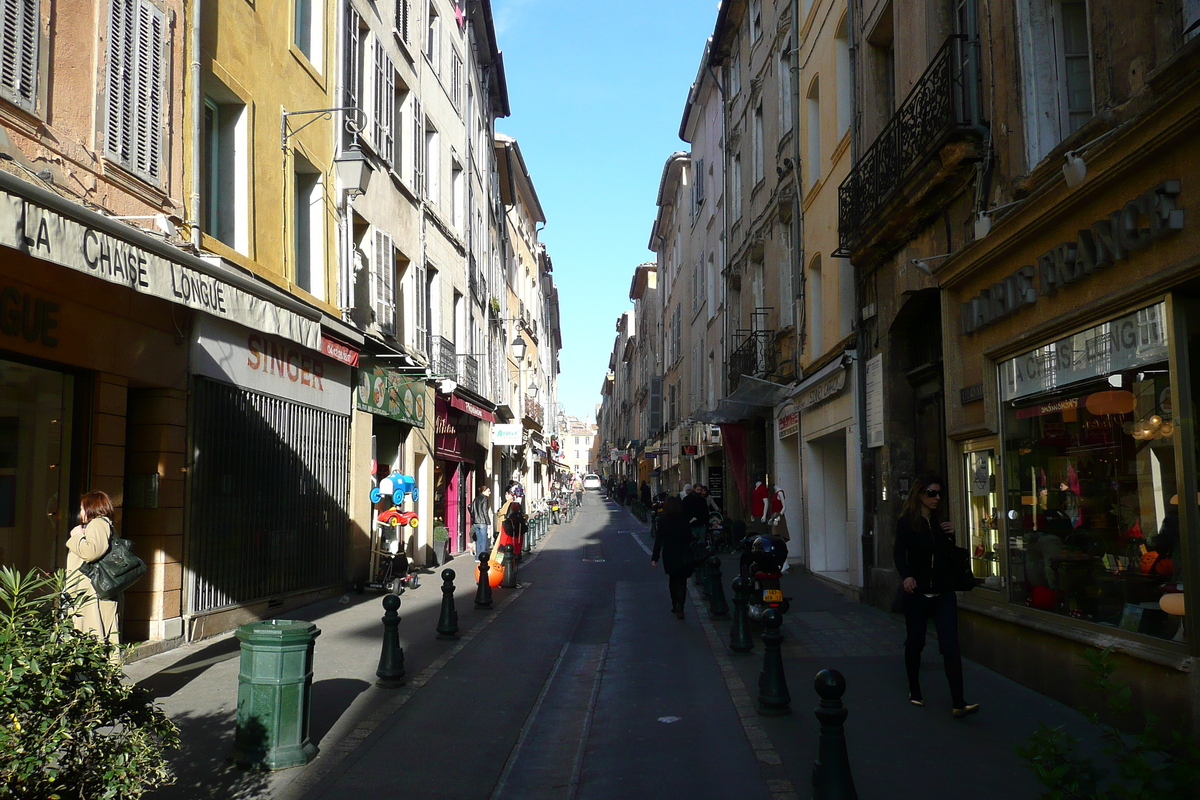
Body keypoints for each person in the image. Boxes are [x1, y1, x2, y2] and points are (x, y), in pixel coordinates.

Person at [894, 473, 978, 717]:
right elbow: (899, 554)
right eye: (931, 493)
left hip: (943, 594)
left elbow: (948, 559)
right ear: (920, 494)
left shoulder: (941, 523)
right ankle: (914, 689)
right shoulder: (906, 522)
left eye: (939, 493)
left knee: (950, 646)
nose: (936, 498)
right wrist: (906, 576)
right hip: (917, 594)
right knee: (916, 643)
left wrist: (952, 536)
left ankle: (959, 702)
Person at [65, 490, 120, 646]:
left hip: (91, 592)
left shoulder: (98, 523)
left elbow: (92, 552)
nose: (80, 512)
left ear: (91, 508)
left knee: (92, 636)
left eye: (82, 508)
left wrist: (76, 536)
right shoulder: (99, 525)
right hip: (92, 591)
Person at [651, 495, 694, 619]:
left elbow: (659, 540)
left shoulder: (663, 521)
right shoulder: (684, 519)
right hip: (683, 552)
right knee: (682, 581)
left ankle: (675, 604)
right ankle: (681, 604)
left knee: (673, 580)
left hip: (669, 553)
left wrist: (655, 558)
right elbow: (689, 537)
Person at [498, 491, 527, 561]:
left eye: (509, 494)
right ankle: (517, 555)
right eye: (506, 494)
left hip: (506, 525)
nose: (507, 496)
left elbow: (503, 512)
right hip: (512, 527)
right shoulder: (520, 523)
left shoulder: (509, 504)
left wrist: (499, 512)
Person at [469, 485, 493, 557]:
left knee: (478, 540)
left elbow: (471, 509)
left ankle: (477, 557)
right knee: (483, 540)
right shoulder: (484, 499)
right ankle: (482, 557)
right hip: (483, 522)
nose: (490, 493)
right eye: (488, 491)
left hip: (476, 522)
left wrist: (474, 518)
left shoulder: (475, 499)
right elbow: (485, 512)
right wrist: (488, 523)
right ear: (484, 491)